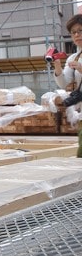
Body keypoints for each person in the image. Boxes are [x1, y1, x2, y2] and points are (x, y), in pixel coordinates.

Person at [53, 14, 82, 158]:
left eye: (80, 31)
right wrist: (57, 66)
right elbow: (65, 84)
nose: (77, 35)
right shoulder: (73, 58)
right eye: (73, 32)